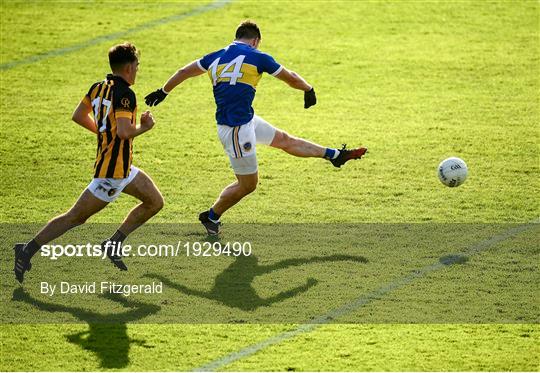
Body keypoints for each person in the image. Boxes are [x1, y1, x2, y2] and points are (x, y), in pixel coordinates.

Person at [145, 21, 366, 235]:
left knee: (284, 140)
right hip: (235, 130)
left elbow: (184, 71)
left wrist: (163, 91)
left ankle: (334, 155)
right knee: (248, 185)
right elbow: (290, 77)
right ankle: (211, 216)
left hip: (246, 121)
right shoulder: (258, 56)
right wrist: (308, 89)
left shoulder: (215, 56)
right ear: (255, 41)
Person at [13, 42, 164, 283]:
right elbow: (124, 132)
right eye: (137, 65)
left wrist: (103, 133)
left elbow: (79, 115)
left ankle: (114, 243)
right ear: (127, 68)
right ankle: (27, 249)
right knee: (75, 217)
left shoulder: (97, 88)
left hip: (123, 168)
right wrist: (145, 127)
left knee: (154, 201)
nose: (137, 70)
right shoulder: (125, 94)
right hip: (112, 174)